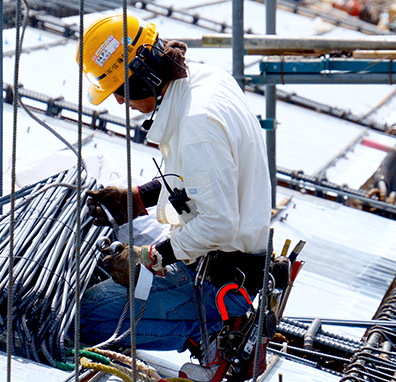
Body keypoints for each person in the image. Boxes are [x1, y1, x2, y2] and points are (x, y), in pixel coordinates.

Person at [75, 13, 272, 382]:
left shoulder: (198, 124)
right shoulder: (204, 81)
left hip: (218, 276)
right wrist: (136, 197)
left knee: (84, 316)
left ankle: (209, 330)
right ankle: (208, 320)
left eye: (122, 90)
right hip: (225, 259)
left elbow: (218, 222)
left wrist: (151, 256)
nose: (119, 102)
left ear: (144, 77)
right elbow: (198, 179)